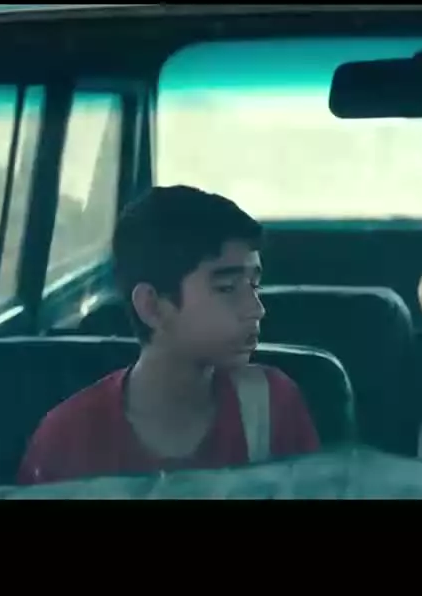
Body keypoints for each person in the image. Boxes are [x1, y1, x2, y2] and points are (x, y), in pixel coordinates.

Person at [17, 186, 320, 485]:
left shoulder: (272, 407)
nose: (256, 309)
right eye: (226, 288)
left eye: (254, 285)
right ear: (152, 307)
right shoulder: (67, 438)